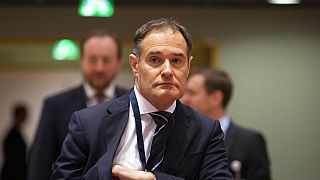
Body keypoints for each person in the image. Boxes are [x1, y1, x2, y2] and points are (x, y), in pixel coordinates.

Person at [51, 18, 232, 179]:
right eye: (155, 60)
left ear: (188, 66)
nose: (167, 71)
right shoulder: (88, 123)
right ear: (135, 65)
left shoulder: (206, 131)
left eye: (177, 61)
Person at [27, 29, 128, 180]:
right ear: (81, 61)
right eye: (92, 60)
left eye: (106, 60)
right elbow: (39, 164)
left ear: (119, 63)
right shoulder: (55, 105)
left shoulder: (133, 102)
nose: (99, 68)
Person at [182, 67, 271, 180]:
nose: (185, 99)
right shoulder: (180, 135)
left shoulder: (250, 141)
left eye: (192, 93)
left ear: (216, 98)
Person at [1, 104, 28, 180]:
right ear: (19, 114)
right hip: (13, 174)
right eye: (24, 113)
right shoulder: (13, 134)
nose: (26, 116)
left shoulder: (14, 132)